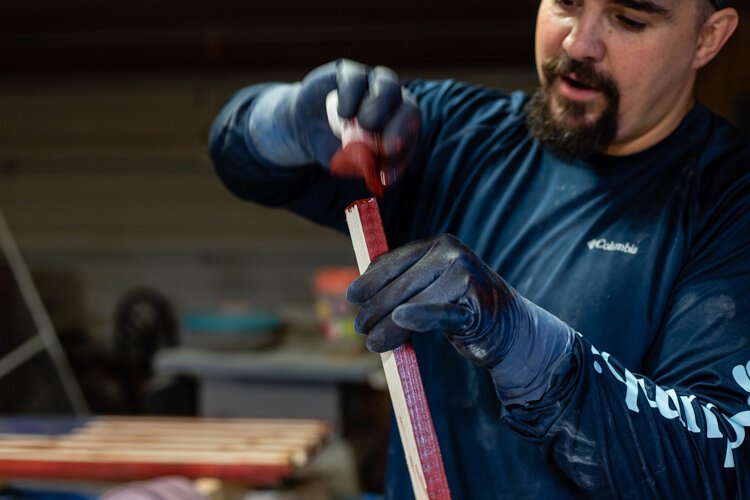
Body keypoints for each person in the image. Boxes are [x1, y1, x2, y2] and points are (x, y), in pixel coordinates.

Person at [209, 0, 750, 497]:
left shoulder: (730, 203)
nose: (578, 44)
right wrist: (280, 120)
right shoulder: (457, 136)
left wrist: (529, 349)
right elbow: (244, 164)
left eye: (629, 19)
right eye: (565, 3)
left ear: (709, 36)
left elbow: (721, 472)